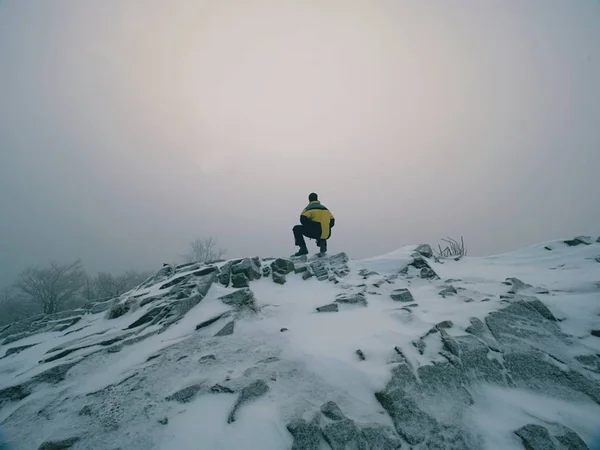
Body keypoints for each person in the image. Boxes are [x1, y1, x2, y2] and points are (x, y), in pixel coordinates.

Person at [292, 193, 335, 257]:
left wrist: (311, 226)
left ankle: (303, 249)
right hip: (327, 234)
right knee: (322, 227)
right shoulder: (326, 209)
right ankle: (322, 243)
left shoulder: (309, 208)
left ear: (309, 199)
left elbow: (302, 219)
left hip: (315, 232)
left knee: (296, 228)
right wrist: (326, 227)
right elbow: (332, 221)